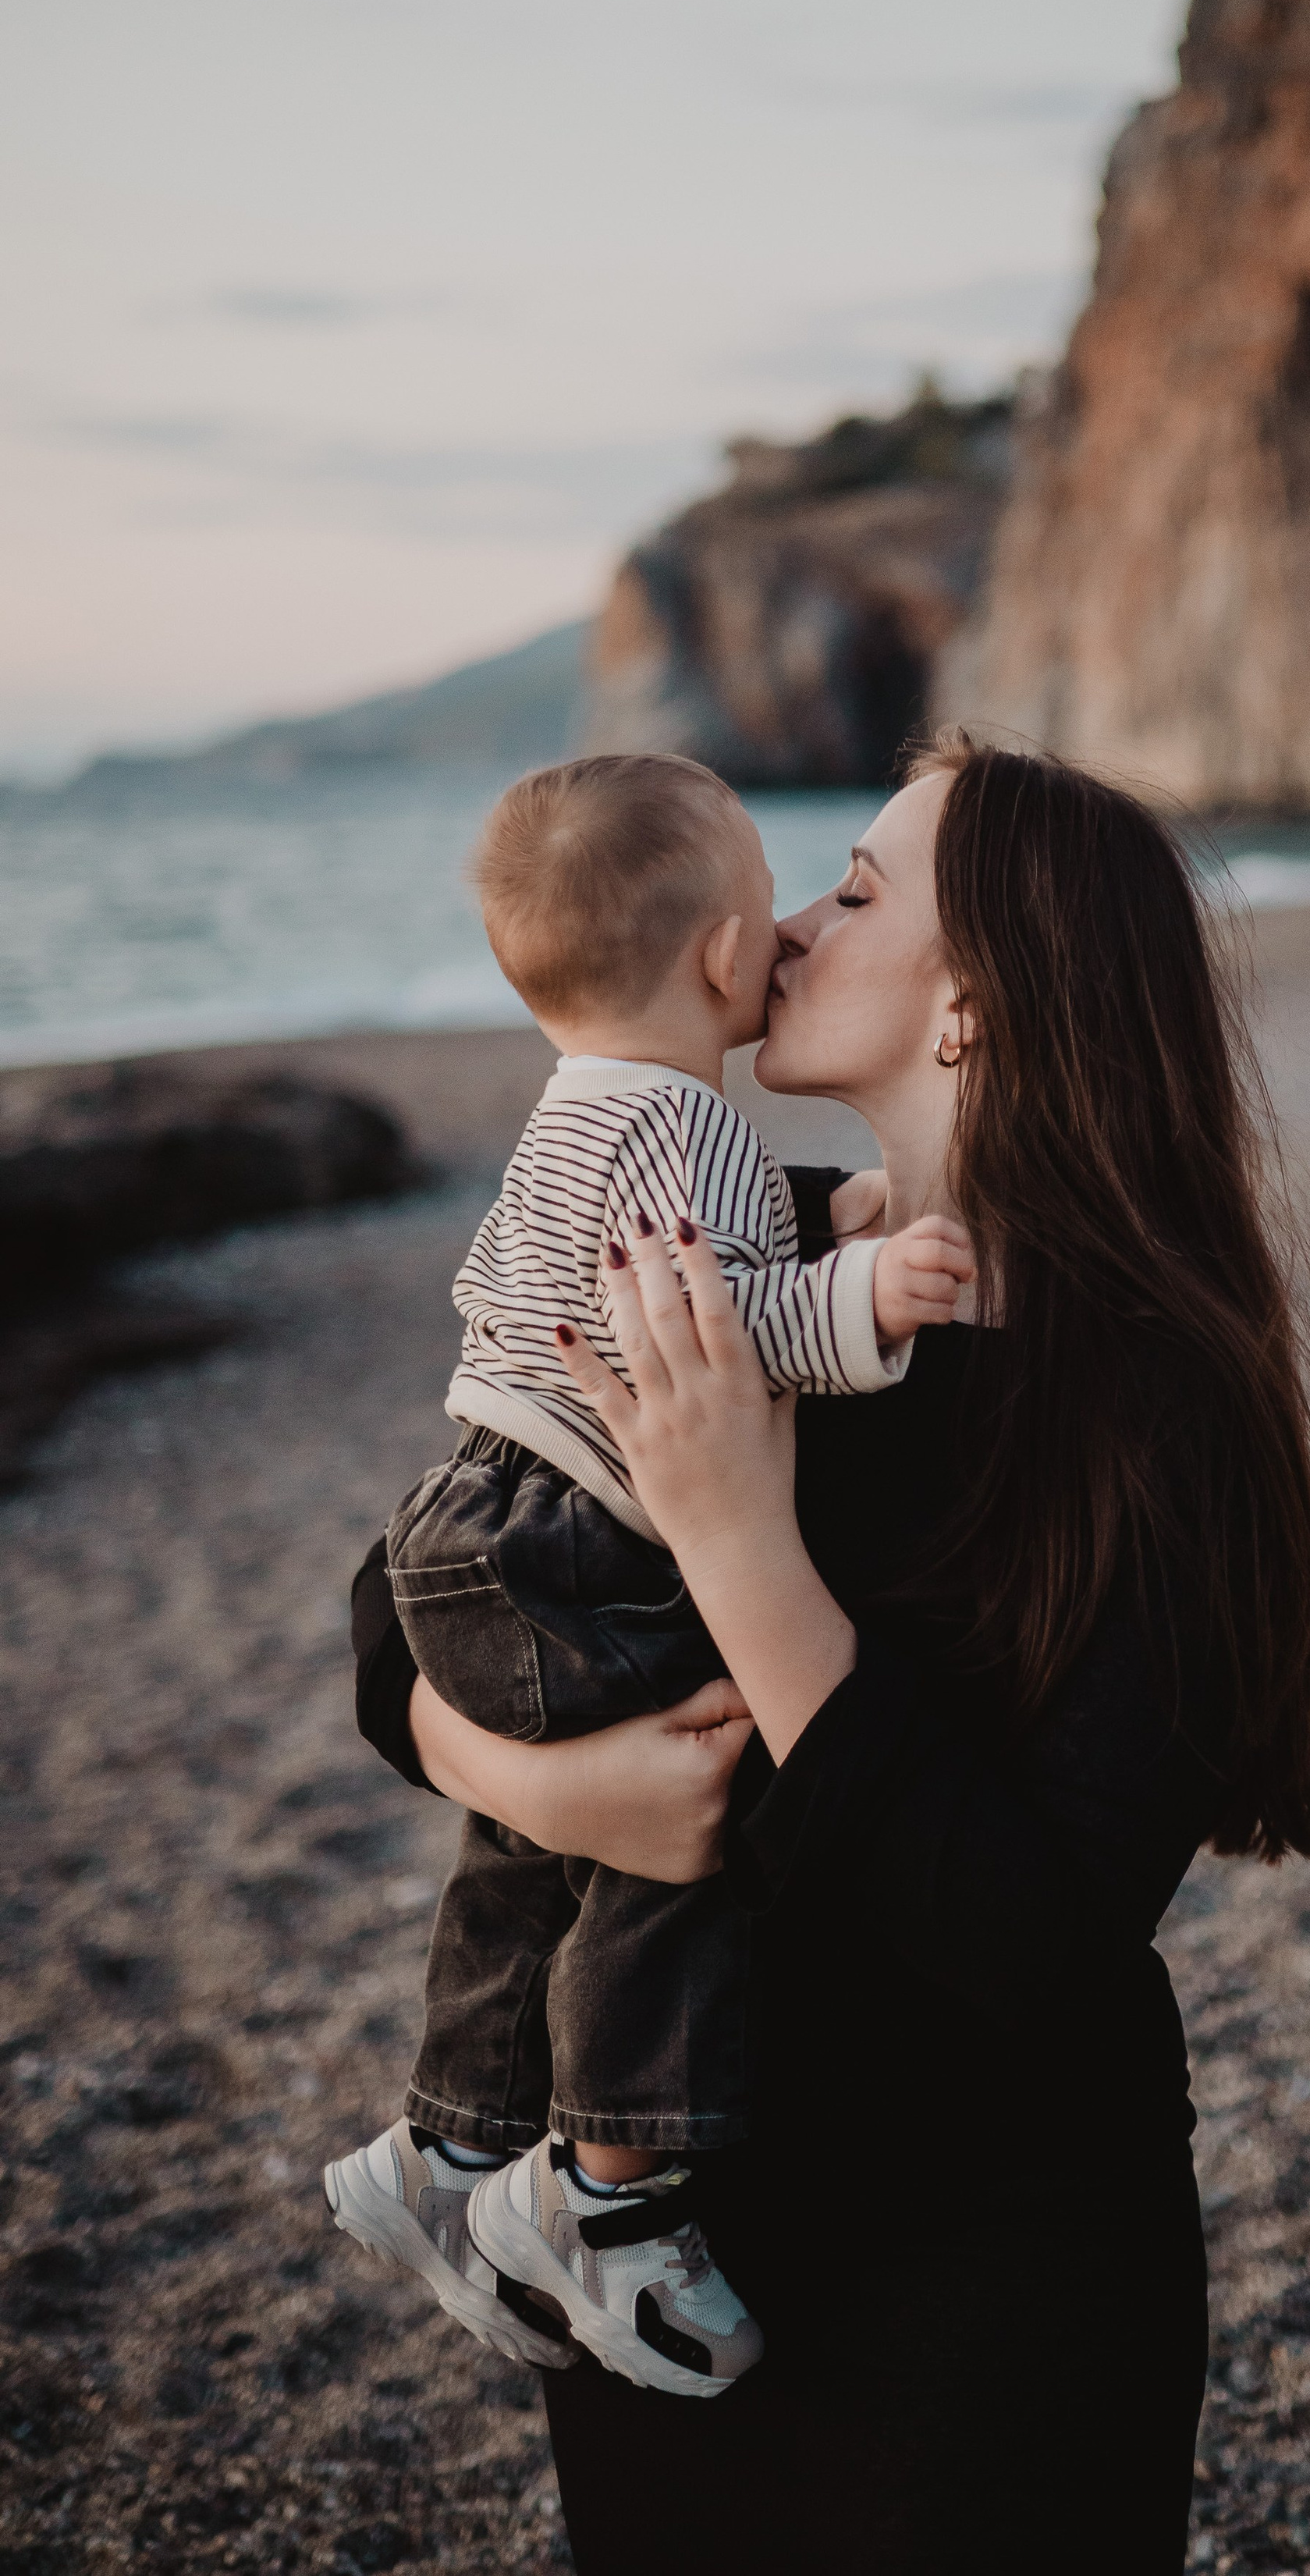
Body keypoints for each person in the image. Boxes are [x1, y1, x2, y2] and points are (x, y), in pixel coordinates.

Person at [350, 734, 1310, 2576]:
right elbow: (415, 1594)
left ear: (972, 1005)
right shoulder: (752, 1274)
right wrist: (556, 1787)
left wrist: (738, 1545)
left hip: (976, 2278)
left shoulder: (1147, 1406)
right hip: (656, 2246)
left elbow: (1032, 1944)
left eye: (860, 891)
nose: (792, 926)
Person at [325, 753, 973, 2394]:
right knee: (684, 1800)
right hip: (560, 1527)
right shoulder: (686, 1122)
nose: (800, 927)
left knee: (542, 1837)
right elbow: (718, 1331)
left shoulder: (589, 1109)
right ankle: (605, 2187)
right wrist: (868, 1295)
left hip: (469, 1515)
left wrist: (842, 1223)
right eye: (792, 897)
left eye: (858, 890)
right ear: (721, 956)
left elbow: (640, 1272)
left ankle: (455, 2140)